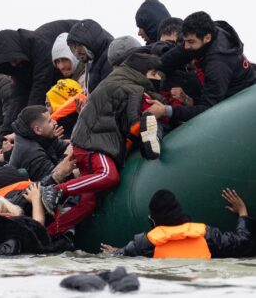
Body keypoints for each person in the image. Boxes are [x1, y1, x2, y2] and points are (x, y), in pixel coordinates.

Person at [42, 53, 169, 237]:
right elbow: (134, 120)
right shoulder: (133, 89)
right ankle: (56, 190)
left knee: (88, 204)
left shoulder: (113, 82)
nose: (158, 78)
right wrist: (152, 122)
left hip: (85, 142)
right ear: (142, 73)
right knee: (109, 175)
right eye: (154, 73)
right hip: (95, 144)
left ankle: (47, 234)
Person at [147, 11, 256, 122]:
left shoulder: (218, 65)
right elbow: (180, 52)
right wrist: (155, 67)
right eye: (185, 41)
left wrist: (167, 111)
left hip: (240, 106)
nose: (186, 46)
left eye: (190, 42)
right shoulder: (211, 32)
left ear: (207, 38)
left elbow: (208, 110)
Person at [101, 188, 254, 258]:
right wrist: (242, 212)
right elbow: (242, 242)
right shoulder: (207, 235)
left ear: (154, 219)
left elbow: (123, 253)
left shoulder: (144, 243)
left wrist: (115, 251)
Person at [0, 20, 78, 135]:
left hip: (77, 68)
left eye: (13, 59)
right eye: (9, 62)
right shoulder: (20, 63)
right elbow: (18, 97)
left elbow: (40, 88)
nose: (13, 64)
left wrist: (25, 127)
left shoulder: (39, 46)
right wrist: (6, 131)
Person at [10, 105, 76, 182]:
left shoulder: (41, 137)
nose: (55, 122)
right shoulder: (32, 153)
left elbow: (66, 147)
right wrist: (67, 156)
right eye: (50, 121)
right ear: (38, 129)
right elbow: (53, 181)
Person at [67, 19, 114, 93]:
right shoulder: (92, 58)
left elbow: (107, 95)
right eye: (74, 46)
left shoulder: (109, 59)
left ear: (91, 42)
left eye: (80, 45)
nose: (77, 50)